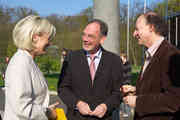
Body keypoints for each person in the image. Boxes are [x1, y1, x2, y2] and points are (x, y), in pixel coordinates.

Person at [58, 19, 124, 120]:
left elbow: (118, 92)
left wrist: (106, 106)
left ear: (102, 39)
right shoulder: (71, 58)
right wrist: (77, 104)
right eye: (84, 35)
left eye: (90, 36)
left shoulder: (114, 60)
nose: (85, 39)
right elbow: (62, 88)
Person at [122, 11, 180, 120]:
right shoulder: (152, 54)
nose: (134, 34)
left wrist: (138, 101)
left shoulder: (172, 55)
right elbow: (159, 87)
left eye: (137, 29)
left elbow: (175, 99)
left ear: (151, 28)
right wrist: (136, 90)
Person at [3, 15, 58, 120]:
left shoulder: (27, 61)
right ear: (35, 37)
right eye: (48, 38)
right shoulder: (20, 63)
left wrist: (46, 108)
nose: (50, 43)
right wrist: (48, 113)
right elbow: (22, 107)